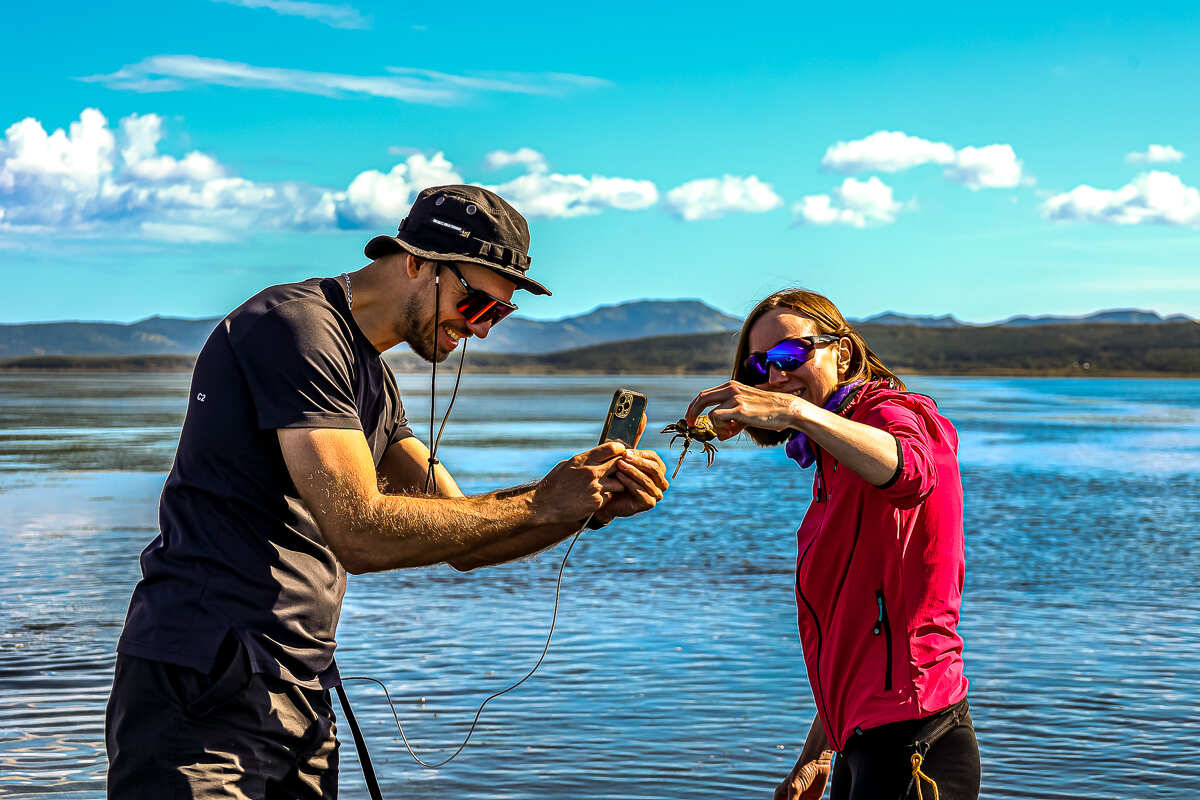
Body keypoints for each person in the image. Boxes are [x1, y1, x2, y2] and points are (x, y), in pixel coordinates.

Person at [105, 185, 669, 799]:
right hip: (204, 678)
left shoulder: (370, 376)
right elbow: (361, 533)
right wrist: (543, 502)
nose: (480, 329)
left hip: (297, 683)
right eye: (476, 303)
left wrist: (580, 504)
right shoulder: (296, 329)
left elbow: (462, 535)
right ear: (417, 261)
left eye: (498, 315)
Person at [685, 289, 979, 800]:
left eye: (790, 355)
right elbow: (859, 634)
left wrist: (796, 412)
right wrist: (817, 755)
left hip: (916, 740)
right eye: (760, 365)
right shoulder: (833, 458)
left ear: (842, 353)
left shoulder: (894, 413)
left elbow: (910, 472)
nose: (775, 376)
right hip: (859, 742)